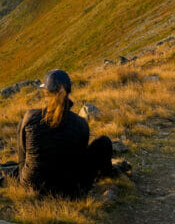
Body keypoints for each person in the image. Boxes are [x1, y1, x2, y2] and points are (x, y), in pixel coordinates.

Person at [17, 69, 113, 197]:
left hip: (31, 186)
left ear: (46, 92)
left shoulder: (30, 117)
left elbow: (23, 154)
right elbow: (80, 157)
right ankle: (108, 176)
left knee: (21, 126)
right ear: (68, 93)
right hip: (69, 191)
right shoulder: (80, 124)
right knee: (104, 142)